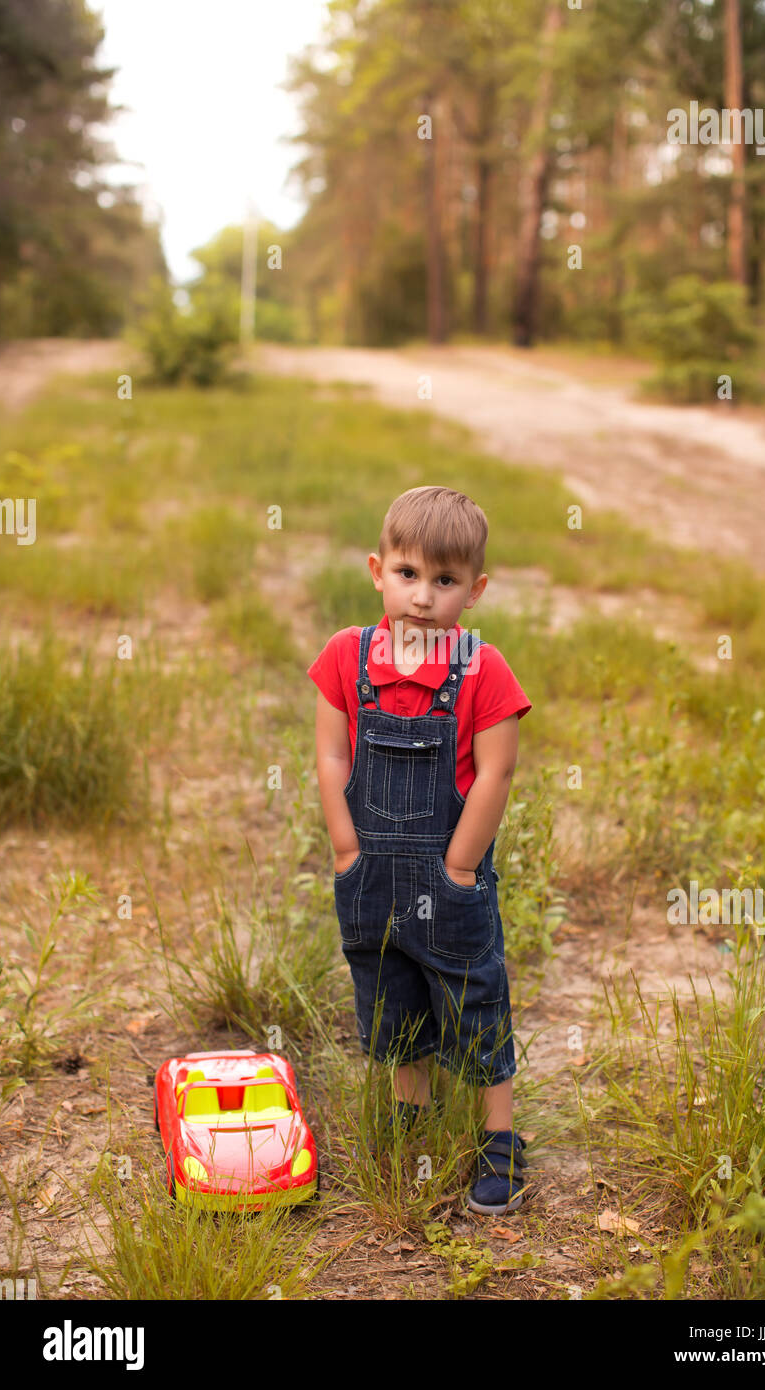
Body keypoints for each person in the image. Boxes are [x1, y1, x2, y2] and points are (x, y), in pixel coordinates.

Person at [307, 485, 532, 1214]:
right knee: (390, 994)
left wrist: (461, 865)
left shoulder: (481, 670)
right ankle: (415, 1108)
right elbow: (331, 757)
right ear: (377, 570)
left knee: (473, 996)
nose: (424, 597)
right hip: (370, 873)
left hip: (448, 871)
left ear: (477, 589)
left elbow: (497, 770)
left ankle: (499, 1134)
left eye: (446, 580)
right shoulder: (349, 656)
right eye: (408, 575)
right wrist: (346, 846)